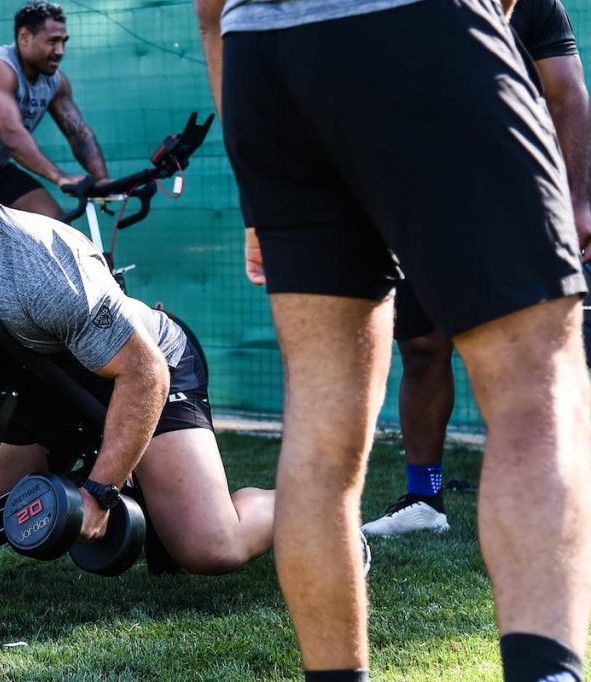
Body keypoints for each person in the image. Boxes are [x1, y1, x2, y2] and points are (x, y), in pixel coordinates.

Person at [196, 0, 591, 680]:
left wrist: (258, 198)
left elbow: (209, 8)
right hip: (419, 25)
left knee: (322, 423)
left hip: (261, 59)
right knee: (537, 383)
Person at [0, 121, 274, 575]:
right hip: (44, 383)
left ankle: (302, 507)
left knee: (211, 549)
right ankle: (130, 482)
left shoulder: (40, 263)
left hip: (146, 366)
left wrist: (100, 493)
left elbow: (145, 373)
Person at [362, 0, 591, 538]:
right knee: (421, 350)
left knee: (528, 355)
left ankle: (555, 492)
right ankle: (426, 499)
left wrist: (579, 202)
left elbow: (568, 95)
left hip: (512, 201)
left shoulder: (533, 5)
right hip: (415, 206)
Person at [0, 1, 109, 219]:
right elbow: (12, 136)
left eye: (63, 42)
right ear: (25, 37)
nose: (60, 51)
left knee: (54, 223)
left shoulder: (55, 81)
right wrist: (58, 176)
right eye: (52, 42)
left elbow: (78, 132)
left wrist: (101, 179)